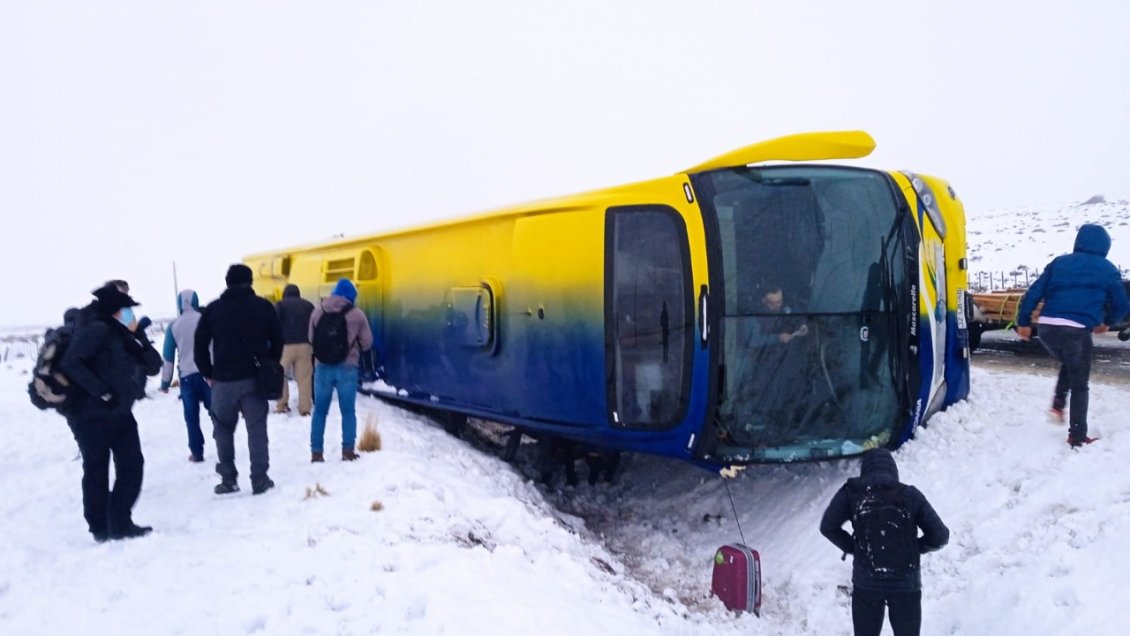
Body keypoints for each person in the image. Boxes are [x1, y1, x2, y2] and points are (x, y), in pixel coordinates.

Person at [59, 283, 162, 542]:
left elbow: (153, 366)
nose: (131, 313)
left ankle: (118, 520)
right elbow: (71, 362)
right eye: (127, 309)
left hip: (119, 413)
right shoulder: (96, 330)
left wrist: (141, 336)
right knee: (97, 469)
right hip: (90, 416)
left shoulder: (122, 334)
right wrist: (101, 391)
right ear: (116, 311)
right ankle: (100, 527)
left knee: (131, 465)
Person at [1015, 224, 1130, 447]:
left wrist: (1024, 322)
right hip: (1076, 330)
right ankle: (1077, 437)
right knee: (1080, 384)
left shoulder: (1059, 262)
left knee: (1070, 363)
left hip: (1047, 328)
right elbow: (1121, 304)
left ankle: (1058, 405)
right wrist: (1107, 322)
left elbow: (1034, 292)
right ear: (1104, 246)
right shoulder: (1107, 269)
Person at [820, 448, 949, 636]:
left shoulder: (851, 492)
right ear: (893, 470)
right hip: (906, 583)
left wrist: (854, 548)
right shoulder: (911, 495)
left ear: (864, 470)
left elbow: (828, 527)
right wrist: (915, 548)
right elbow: (940, 535)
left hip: (866, 583)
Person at [194, 264, 284, 495]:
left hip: (222, 381)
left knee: (223, 429)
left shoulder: (213, 310)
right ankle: (260, 479)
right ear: (251, 281)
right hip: (254, 379)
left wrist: (209, 372)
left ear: (227, 282)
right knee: (256, 429)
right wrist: (269, 364)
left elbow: (199, 346)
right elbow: (278, 340)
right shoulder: (264, 307)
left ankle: (228, 479)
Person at [308, 278, 373, 462]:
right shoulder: (357, 314)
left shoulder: (318, 310)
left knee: (320, 411)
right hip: (347, 368)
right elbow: (367, 343)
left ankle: (317, 453)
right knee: (347, 411)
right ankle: (348, 451)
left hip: (322, 368)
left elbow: (311, 338)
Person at [159, 289, 211, 463]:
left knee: (191, 417)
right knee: (216, 412)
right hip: (208, 375)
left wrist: (165, 383)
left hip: (187, 378)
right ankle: (223, 443)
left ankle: (197, 452)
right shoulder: (206, 320)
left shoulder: (173, 326)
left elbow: (168, 357)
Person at [275, 283, 315, 415]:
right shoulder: (308, 305)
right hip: (305, 345)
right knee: (304, 378)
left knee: (281, 375)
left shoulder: (280, 305)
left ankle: (282, 405)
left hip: (285, 346)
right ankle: (305, 409)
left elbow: (274, 323)